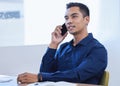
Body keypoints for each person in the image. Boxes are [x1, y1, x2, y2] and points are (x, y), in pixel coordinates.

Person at [17, 2, 107, 85]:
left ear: (86, 19)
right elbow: (45, 72)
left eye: (74, 16)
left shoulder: (97, 49)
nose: (69, 21)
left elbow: (77, 75)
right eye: (66, 18)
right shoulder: (64, 47)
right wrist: (53, 44)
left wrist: (40, 76)